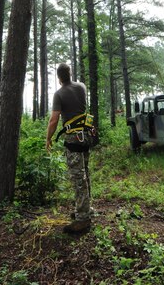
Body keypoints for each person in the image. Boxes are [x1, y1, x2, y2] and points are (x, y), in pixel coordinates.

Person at [46, 62, 92, 234]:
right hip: (86, 135)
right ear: (70, 73)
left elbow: (54, 119)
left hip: (73, 138)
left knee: (78, 177)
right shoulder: (82, 87)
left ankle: (82, 219)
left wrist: (48, 138)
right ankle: (85, 209)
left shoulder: (59, 94)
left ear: (59, 78)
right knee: (85, 173)